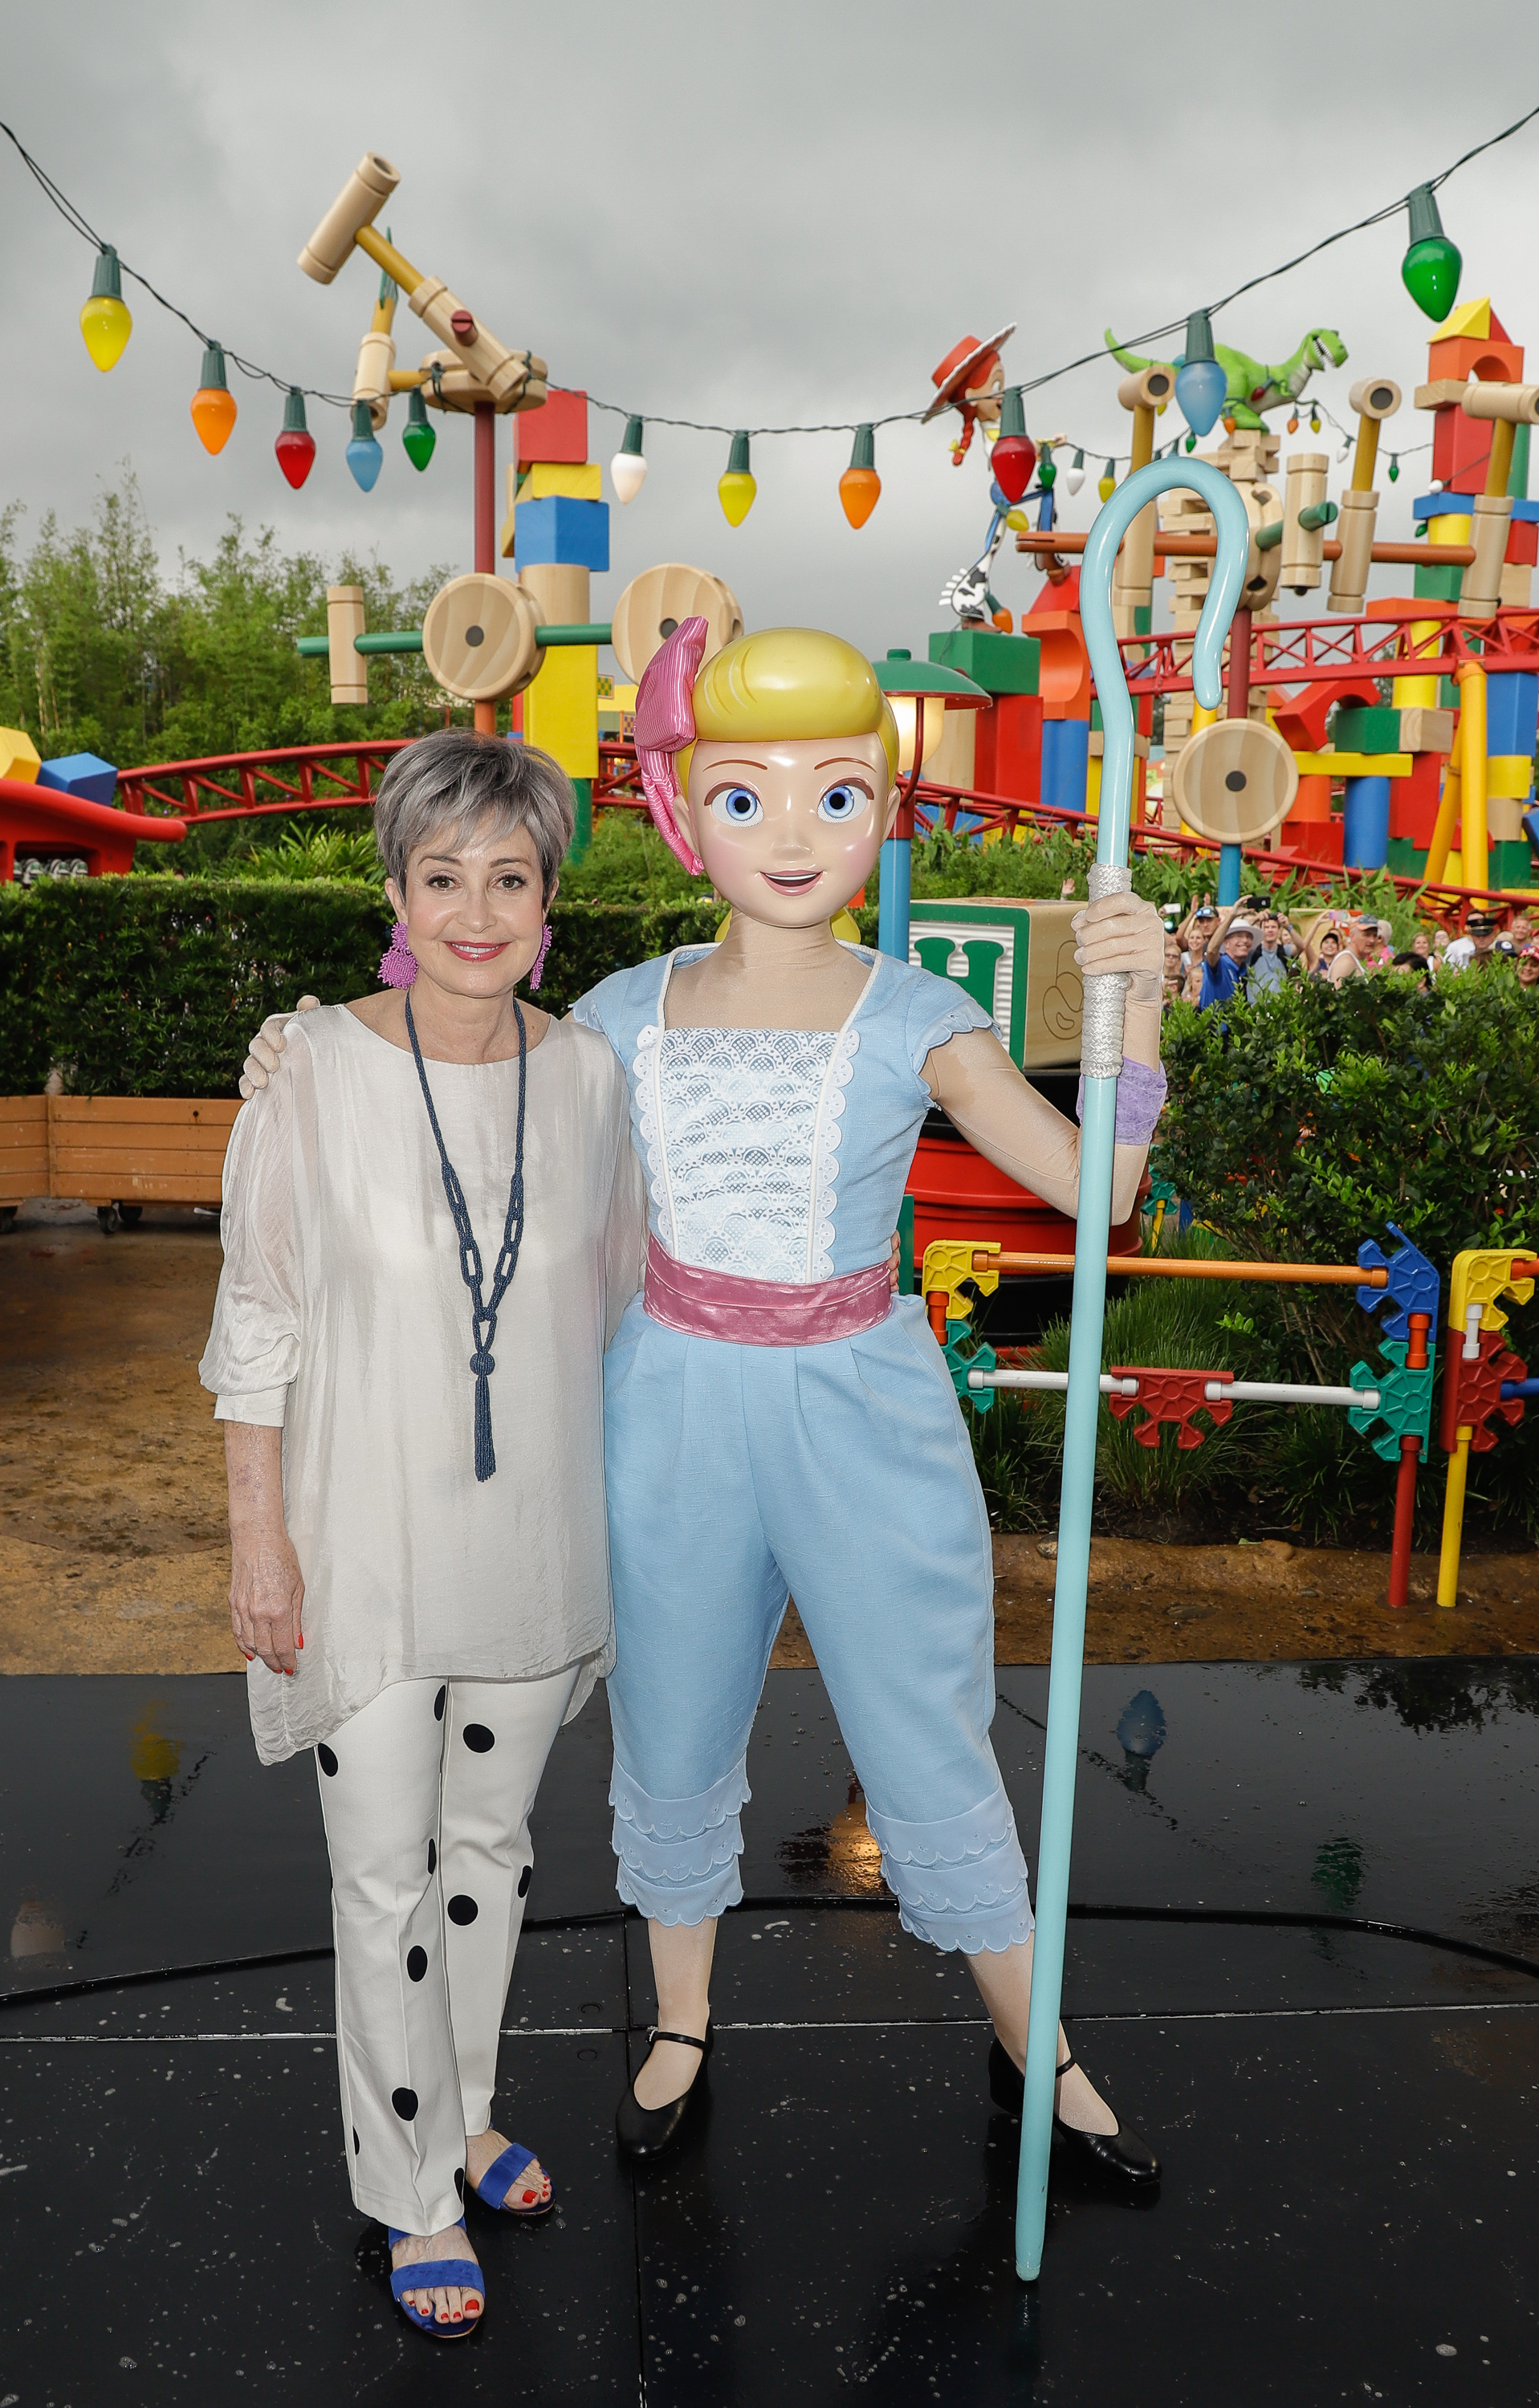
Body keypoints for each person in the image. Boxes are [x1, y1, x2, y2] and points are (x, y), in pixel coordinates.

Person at [571, 622, 1164, 2184]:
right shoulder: (614, 1015)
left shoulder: (918, 1016)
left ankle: (1037, 2049)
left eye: (835, 793)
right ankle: (681, 2024)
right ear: (681, 808)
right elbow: (514, 1183)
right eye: (744, 794)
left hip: (856, 1415)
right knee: (672, 1714)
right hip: (668, 1406)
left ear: (882, 811)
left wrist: (1142, 1009)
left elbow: (1101, 1194)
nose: (791, 832)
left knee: (923, 1727)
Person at [202, 732, 645, 2339]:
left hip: (531, 1537)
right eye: (441, 876)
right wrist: (259, 1541)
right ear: (394, 893)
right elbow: (257, 1318)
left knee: (490, 1858)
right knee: (383, 1872)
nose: (475, 910)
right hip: (362, 1539)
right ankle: (406, 2192)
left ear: (548, 901)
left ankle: (459, 2116)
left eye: (508, 878)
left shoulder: (588, 1078)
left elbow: (616, 1301)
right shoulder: (311, 1072)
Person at [1197, 901, 1256, 1010]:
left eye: (1249, 937)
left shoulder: (1244, 970)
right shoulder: (1221, 964)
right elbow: (1211, 951)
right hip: (1214, 1020)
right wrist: (1232, 915)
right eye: (1239, 936)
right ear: (1226, 943)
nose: (1245, 940)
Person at [1246, 905, 1296, 995]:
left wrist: (1288, 927)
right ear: (1261, 930)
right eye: (1266, 927)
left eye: (1273, 927)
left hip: (1279, 1003)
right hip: (1256, 1003)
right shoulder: (1252, 951)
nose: (1270, 930)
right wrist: (1254, 920)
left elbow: (1301, 946)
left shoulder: (1285, 950)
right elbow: (1238, 940)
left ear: (1279, 931)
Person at [1326, 913, 1380, 986]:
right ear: (1352, 935)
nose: (1372, 940)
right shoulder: (1346, 962)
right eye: (1367, 935)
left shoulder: (1358, 960)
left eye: (1375, 935)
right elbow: (1336, 990)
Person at [1443, 908, 1503, 972]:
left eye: (1485, 935)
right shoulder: (1456, 947)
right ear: (1472, 936)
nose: (1481, 938)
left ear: (1492, 935)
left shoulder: (1500, 948)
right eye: (1477, 935)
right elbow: (1446, 970)